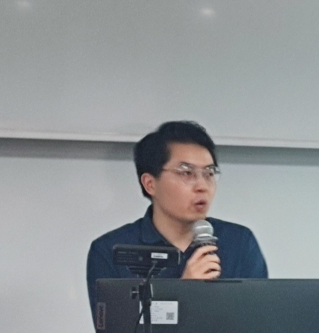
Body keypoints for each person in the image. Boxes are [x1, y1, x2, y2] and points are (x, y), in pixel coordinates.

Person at [86, 121, 268, 313]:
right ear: (150, 184)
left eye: (209, 173)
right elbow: (116, 330)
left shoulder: (239, 242)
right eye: (187, 173)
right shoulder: (110, 250)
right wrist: (182, 294)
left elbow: (259, 321)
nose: (202, 186)